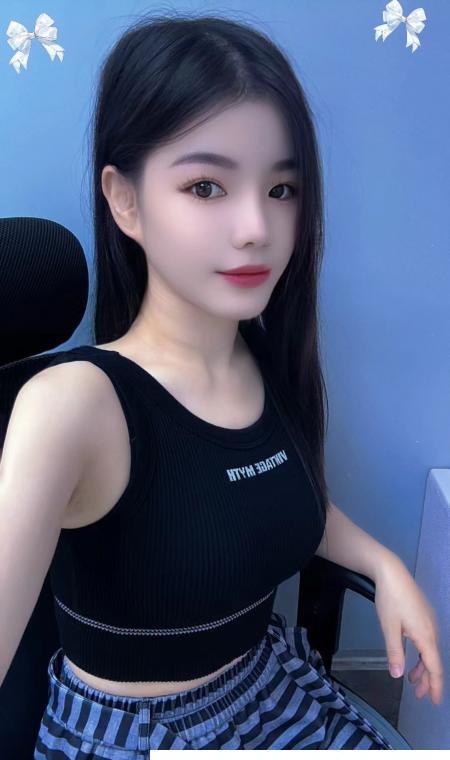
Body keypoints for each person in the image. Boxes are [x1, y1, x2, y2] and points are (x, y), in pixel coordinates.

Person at [0, 10, 442, 757]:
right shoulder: (75, 405)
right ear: (125, 200)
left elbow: (271, 499)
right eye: (206, 186)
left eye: (282, 189)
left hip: (274, 690)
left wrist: (383, 561)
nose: (255, 228)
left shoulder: (260, 356)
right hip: (142, 737)